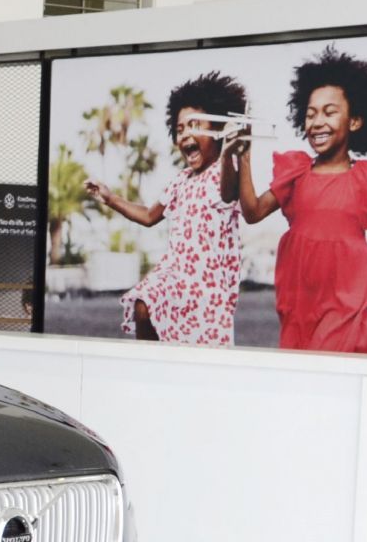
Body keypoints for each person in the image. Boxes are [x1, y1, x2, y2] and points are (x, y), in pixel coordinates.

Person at [224, 45, 367, 354]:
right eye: (310, 114)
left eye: (329, 112)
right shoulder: (296, 172)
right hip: (298, 300)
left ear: (355, 121)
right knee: (306, 366)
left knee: (330, 357)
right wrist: (245, 158)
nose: (317, 122)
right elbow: (252, 212)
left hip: (345, 301)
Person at [85, 71, 247, 345]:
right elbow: (149, 216)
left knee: (201, 358)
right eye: (180, 129)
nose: (185, 135)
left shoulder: (224, 170)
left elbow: (228, 192)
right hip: (176, 278)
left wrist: (230, 150)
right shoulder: (180, 181)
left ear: (217, 129)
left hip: (208, 291)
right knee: (143, 304)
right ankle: (149, 363)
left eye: (194, 125)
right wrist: (111, 198)